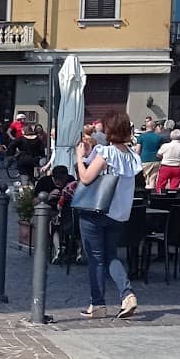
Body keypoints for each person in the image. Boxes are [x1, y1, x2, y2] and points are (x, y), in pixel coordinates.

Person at [75, 109, 141, 319]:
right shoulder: (132, 156)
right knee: (111, 256)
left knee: (96, 258)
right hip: (119, 214)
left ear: (109, 129)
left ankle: (98, 304)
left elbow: (86, 178)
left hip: (97, 210)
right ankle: (127, 293)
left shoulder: (107, 153)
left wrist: (79, 158)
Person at [155, 127, 180, 194]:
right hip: (177, 167)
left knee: (161, 184)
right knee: (175, 185)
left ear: (171, 136)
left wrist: (164, 157)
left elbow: (158, 155)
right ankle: (173, 197)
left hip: (165, 166)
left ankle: (160, 196)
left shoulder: (165, 145)